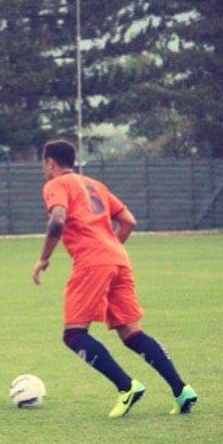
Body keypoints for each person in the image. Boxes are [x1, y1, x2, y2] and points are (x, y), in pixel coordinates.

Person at [31, 139, 198, 418]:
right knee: (132, 333)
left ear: (50, 163)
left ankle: (126, 386)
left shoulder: (56, 185)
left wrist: (44, 258)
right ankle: (182, 390)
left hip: (92, 261)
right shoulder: (95, 185)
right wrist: (110, 250)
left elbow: (57, 219)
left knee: (74, 334)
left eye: (43, 164)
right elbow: (128, 220)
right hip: (119, 259)